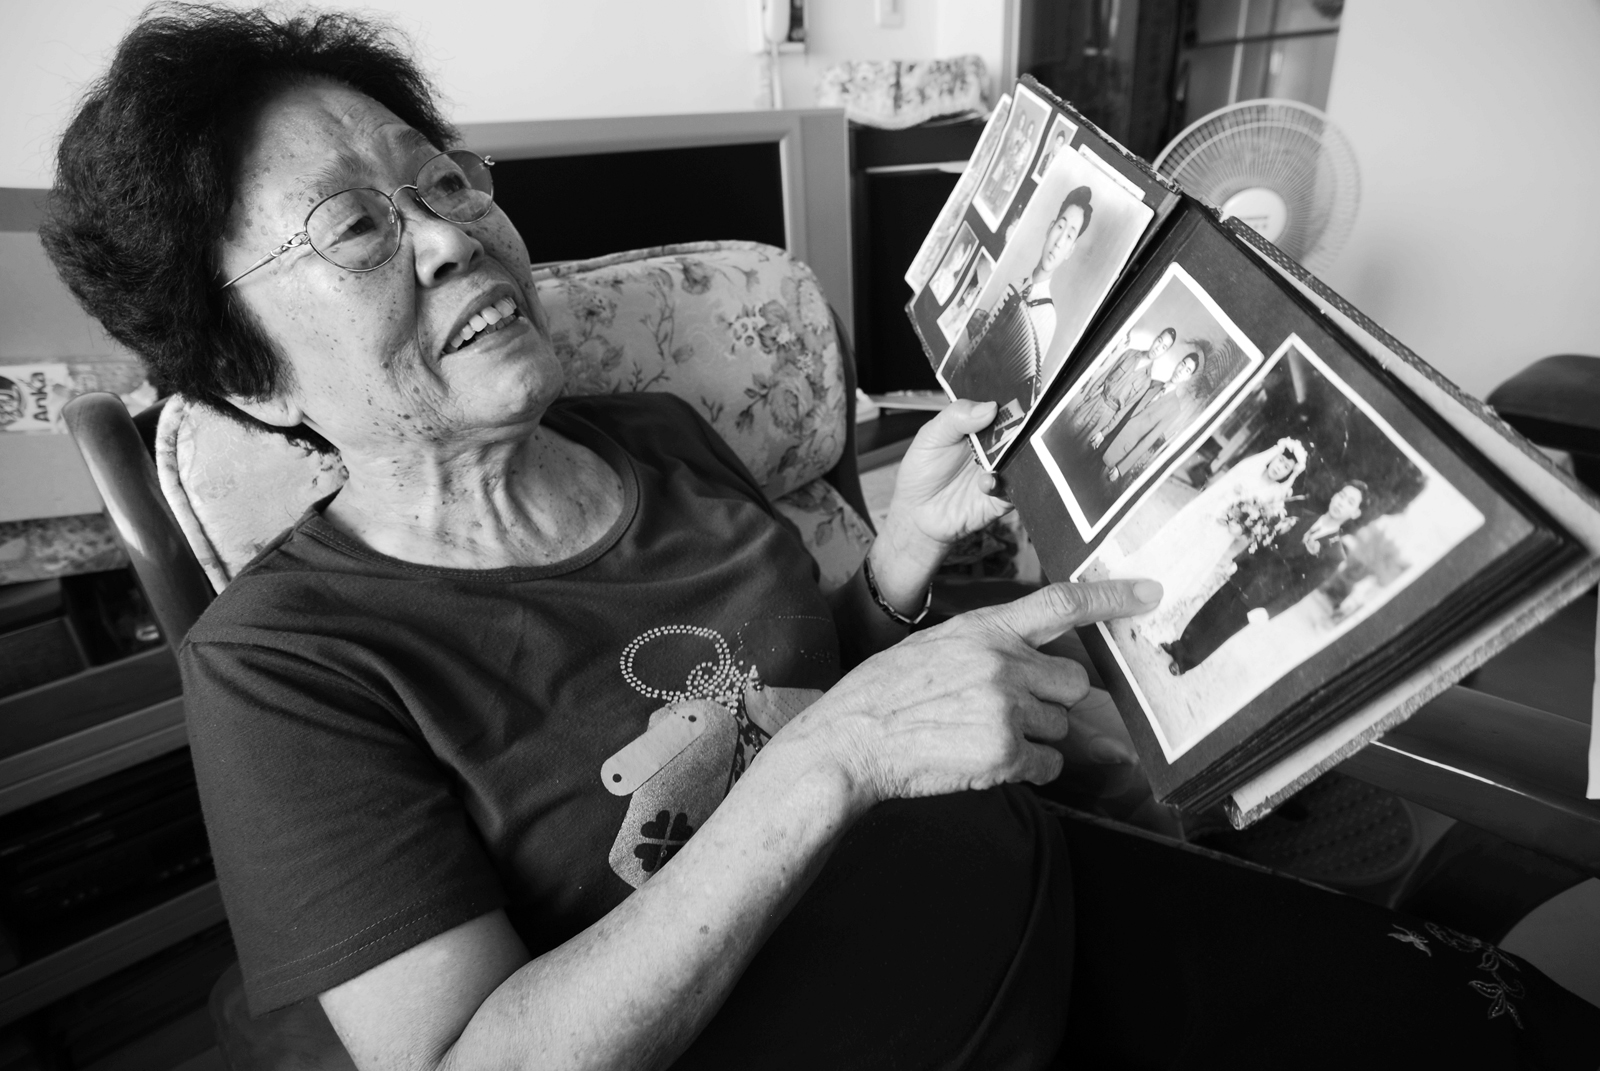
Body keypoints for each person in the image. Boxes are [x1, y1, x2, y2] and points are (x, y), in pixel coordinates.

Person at [40, 7, 1600, 1070]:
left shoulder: (650, 432)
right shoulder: (283, 667)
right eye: (357, 226)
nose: (454, 233)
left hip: (1044, 892)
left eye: (443, 178)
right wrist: (835, 760)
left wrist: (900, 561)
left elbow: (792, 671)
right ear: (245, 370)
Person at [1109, 437, 1308, 647]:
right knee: (1177, 549)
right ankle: (1141, 583)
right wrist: (1211, 513)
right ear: (1273, 456)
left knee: (1193, 565)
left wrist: (1242, 530)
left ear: (1289, 474)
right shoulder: (1249, 469)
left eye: (1286, 468)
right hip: (1209, 517)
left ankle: (1157, 605)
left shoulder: (1274, 497)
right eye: (1280, 461)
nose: (1279, 468)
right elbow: (1219, 490)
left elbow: (1259, 527)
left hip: (1224, 535)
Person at [1162, 480, 1369, 676]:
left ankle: (1185, 661)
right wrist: (1239, 560)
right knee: (1212, 607)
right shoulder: (1304, 516)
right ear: (1334, 495)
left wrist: (1270, 611)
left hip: (1265, 592)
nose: (1341, 502)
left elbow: (1300, 590)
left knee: (1223, 626)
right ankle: (1179, 645)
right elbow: (1265, 540)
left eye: (1350, 502)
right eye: (1342, 495)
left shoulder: (1334, 554)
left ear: (1355, 512)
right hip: (1248, 571)